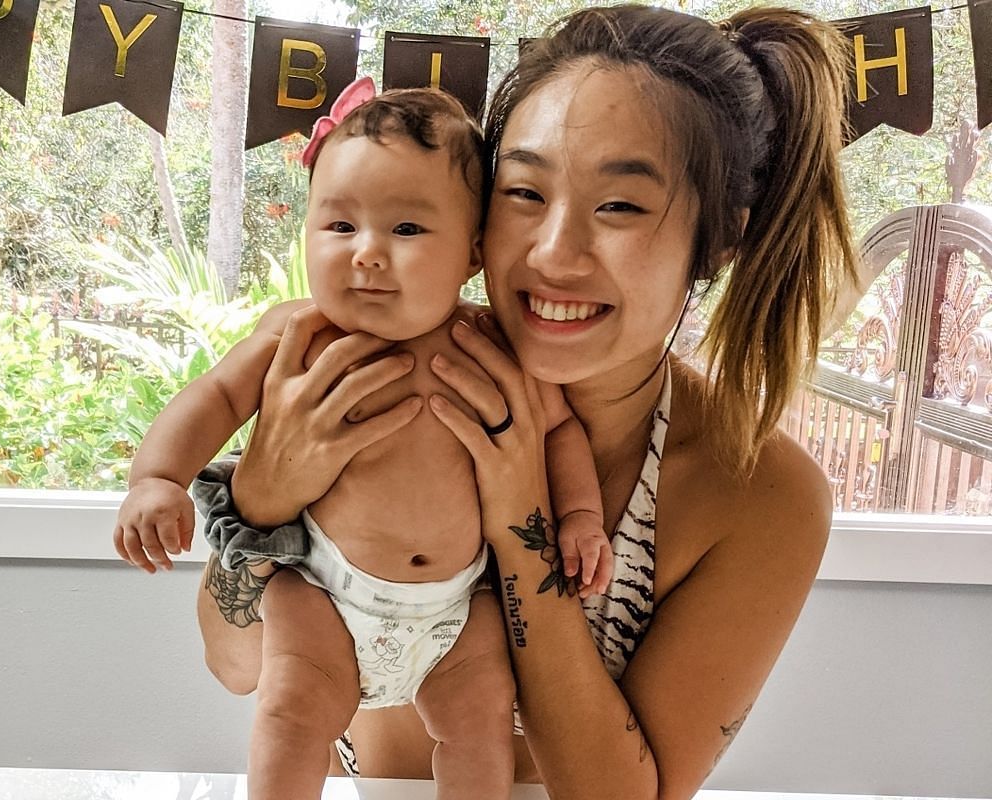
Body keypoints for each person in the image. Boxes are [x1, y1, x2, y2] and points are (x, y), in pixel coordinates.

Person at [192, 4, 859, 798]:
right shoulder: (351, 378)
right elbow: (234, 668)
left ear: (719, 239)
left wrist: (523, 530)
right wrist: (262, 497)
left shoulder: (760, 493)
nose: (553, 253)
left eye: (620, 206)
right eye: (524, 193)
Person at [113, 80, 613, 800]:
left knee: (478, 730)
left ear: (473, 252)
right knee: (289, 717)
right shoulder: (298, 334)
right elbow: (215, 396)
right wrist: (156, 479)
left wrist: (581, 517)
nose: (367, 254)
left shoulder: (490, 345)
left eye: (406, 230)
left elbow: (559, 429)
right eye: (339, 226)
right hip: (322, 592)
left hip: (456, 605)